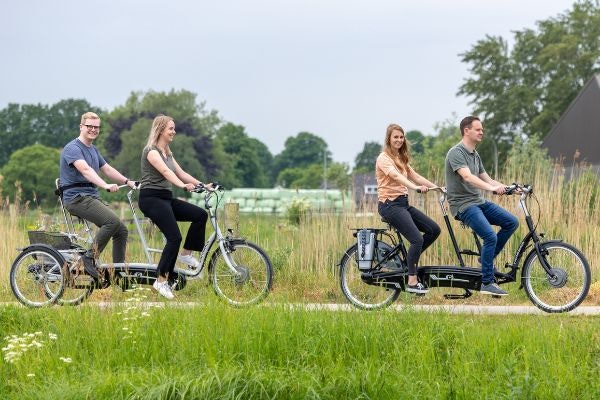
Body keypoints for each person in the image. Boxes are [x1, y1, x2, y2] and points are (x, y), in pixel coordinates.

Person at [59, 111, 137, 287]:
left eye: (96, 127)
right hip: (76, 198)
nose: (93, 130)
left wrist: (127, 181)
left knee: (121, 230)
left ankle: (119, 275)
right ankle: (89, 258)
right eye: (90, 126)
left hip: (90, 197)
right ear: (81, 127)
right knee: (112, 221)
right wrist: (105, 186)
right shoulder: (73, 148)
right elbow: (85, 170)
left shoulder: (93, 150)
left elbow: (107, 169)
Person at [138, 114, 212, 300]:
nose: (174, 131)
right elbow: (165, 172)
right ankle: (161, 281)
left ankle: (186, 255)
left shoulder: (167, 152)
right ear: (160, 130)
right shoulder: (152, 151)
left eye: (174, 128)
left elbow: (181, 172)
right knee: (174, 238)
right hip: (151, 199)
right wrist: (181, 186)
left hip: (166, 198)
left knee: (200, 215)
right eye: (171, 128)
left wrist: (203, 185)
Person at [444, 116, 519, 296]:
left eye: (482, 129)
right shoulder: (456, 153)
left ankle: (486, 258)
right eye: (478, 129)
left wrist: (509, 188)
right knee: (490, 237)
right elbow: (468, 177)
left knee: (511, 222)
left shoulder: (475, 154)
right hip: (463, 205)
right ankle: (486, 282)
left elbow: (487, 178)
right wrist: (493, 189)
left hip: (478, 201)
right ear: (466, 130)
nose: (481, 132)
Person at [376, 123, 441, 294]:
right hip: (389, 205)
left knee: (433, 230)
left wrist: (438, 188)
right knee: (417, 240)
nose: (398, 140)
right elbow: (396, 177)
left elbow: (416, 176)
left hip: (403, 204)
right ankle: (412, 282)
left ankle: (408, 262)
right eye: (395, 137)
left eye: (401, 137)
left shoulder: (401, 158)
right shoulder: (384, 158)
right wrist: (415, 188)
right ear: (389, 139)